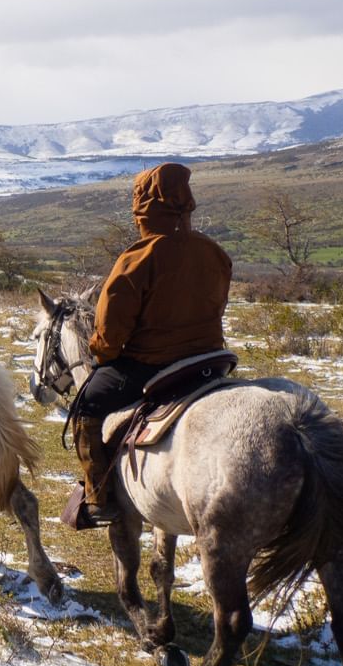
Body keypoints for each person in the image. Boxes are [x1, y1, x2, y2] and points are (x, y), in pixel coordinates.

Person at [70, 161, 233, 525]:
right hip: (211, 360)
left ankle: (98, 497)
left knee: (87, 406)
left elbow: (109, 337)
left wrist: (101, 353)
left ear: (142, 207)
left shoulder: (136, 259)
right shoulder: (215, 253)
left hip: (150, 365)